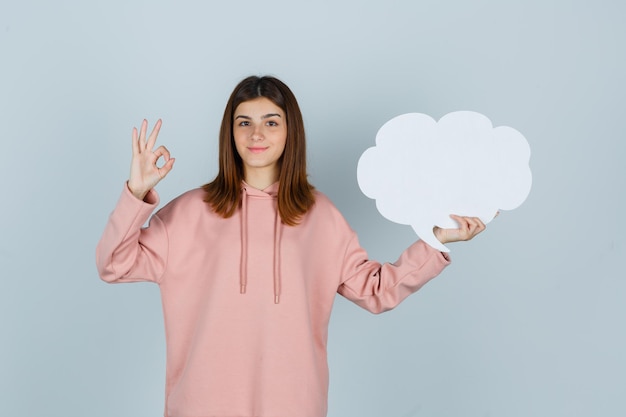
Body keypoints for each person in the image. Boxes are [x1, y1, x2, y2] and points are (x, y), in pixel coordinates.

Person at [96, 75, 487, 417]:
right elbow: (114, 264)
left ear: (290, 131)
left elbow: (376, 291)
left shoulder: (321, 216)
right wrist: (136, 192)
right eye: (244, 122)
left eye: (271, 122)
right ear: (229, 133)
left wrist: (437, 241)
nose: (256, 134)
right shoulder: (188, 212)